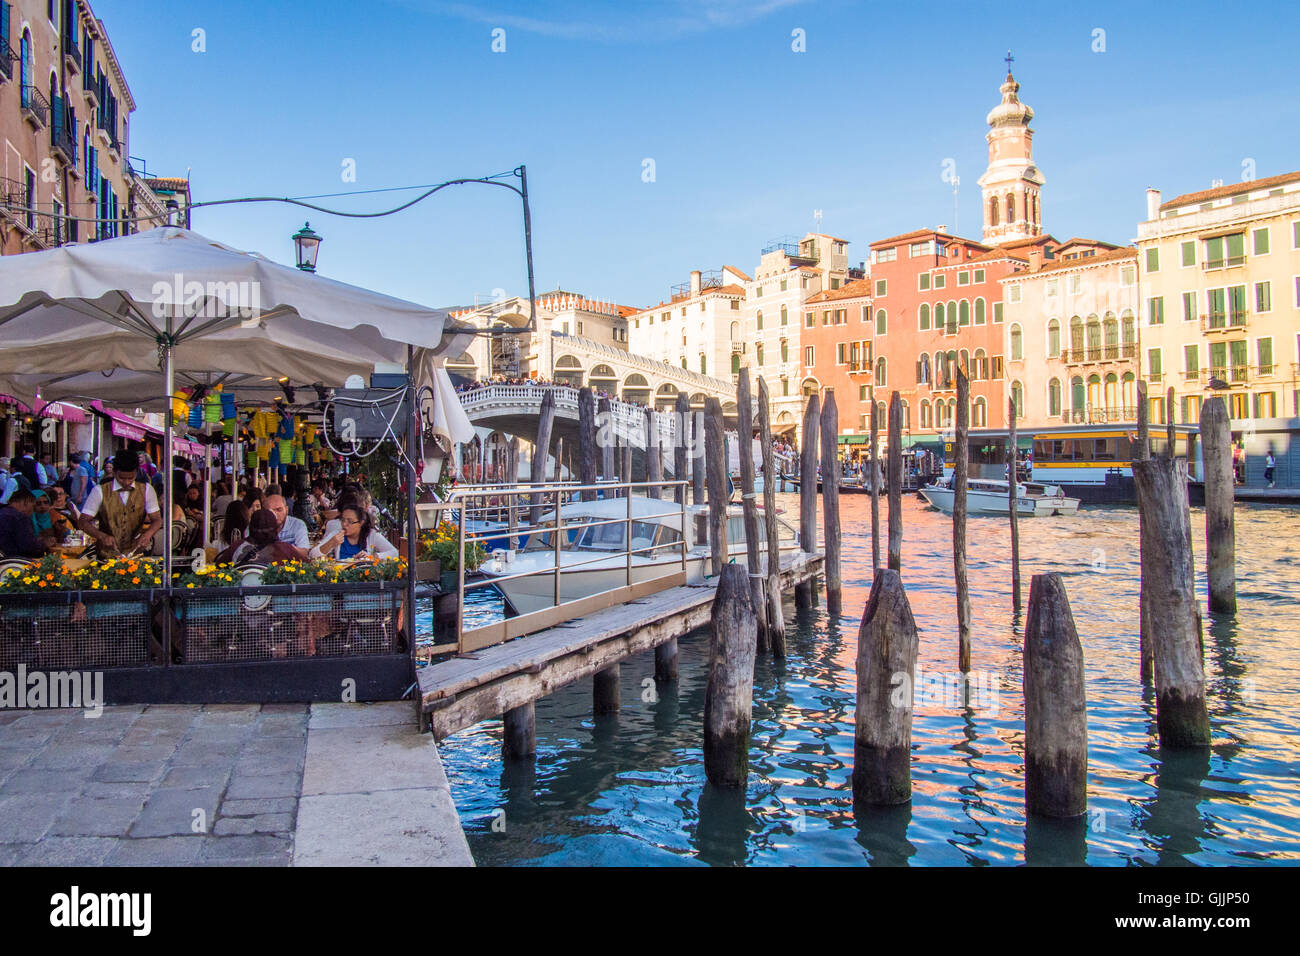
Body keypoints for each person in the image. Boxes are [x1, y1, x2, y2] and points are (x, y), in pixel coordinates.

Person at [78, 449, 163, 556]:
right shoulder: (99, 491)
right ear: (114, 472)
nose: (126, 482)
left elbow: (157, 520)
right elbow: (83, 522)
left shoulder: (147, 490)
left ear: (136, 472)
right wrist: (102, 536)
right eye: (121, 478)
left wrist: (147, 535)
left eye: (130, 478)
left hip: (135, 554)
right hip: (105, 556)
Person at [310, 503, 398, 560]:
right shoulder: (336, 534)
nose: (344, 524)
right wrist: (331, 543)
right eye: (343, 520)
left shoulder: (371, 535)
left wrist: (372, 557)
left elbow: (395, 553)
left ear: (361, 523)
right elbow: (312, 555)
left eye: (350, 521)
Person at [217, 508, 297, 565]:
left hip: (242, 588)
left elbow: (218, 567)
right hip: (273, 589)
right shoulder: (285, 549)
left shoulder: (236, 547)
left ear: (250, 528)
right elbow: (305, 566)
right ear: (276, 529)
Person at [0, 490, 49, 558]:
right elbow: (29, 548)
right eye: (33, 506)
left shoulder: (2, 513)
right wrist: (45, 544)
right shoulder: (21, 518)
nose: (32, 512)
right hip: (14, 564)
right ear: (26, 502)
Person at [264, 493, 310, 559]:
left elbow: (303, 552)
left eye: (279, 510)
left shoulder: (297, 524)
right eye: (270, 511)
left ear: (287, 510)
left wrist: (283, 547)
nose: (275, 514)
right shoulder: (257, 526)